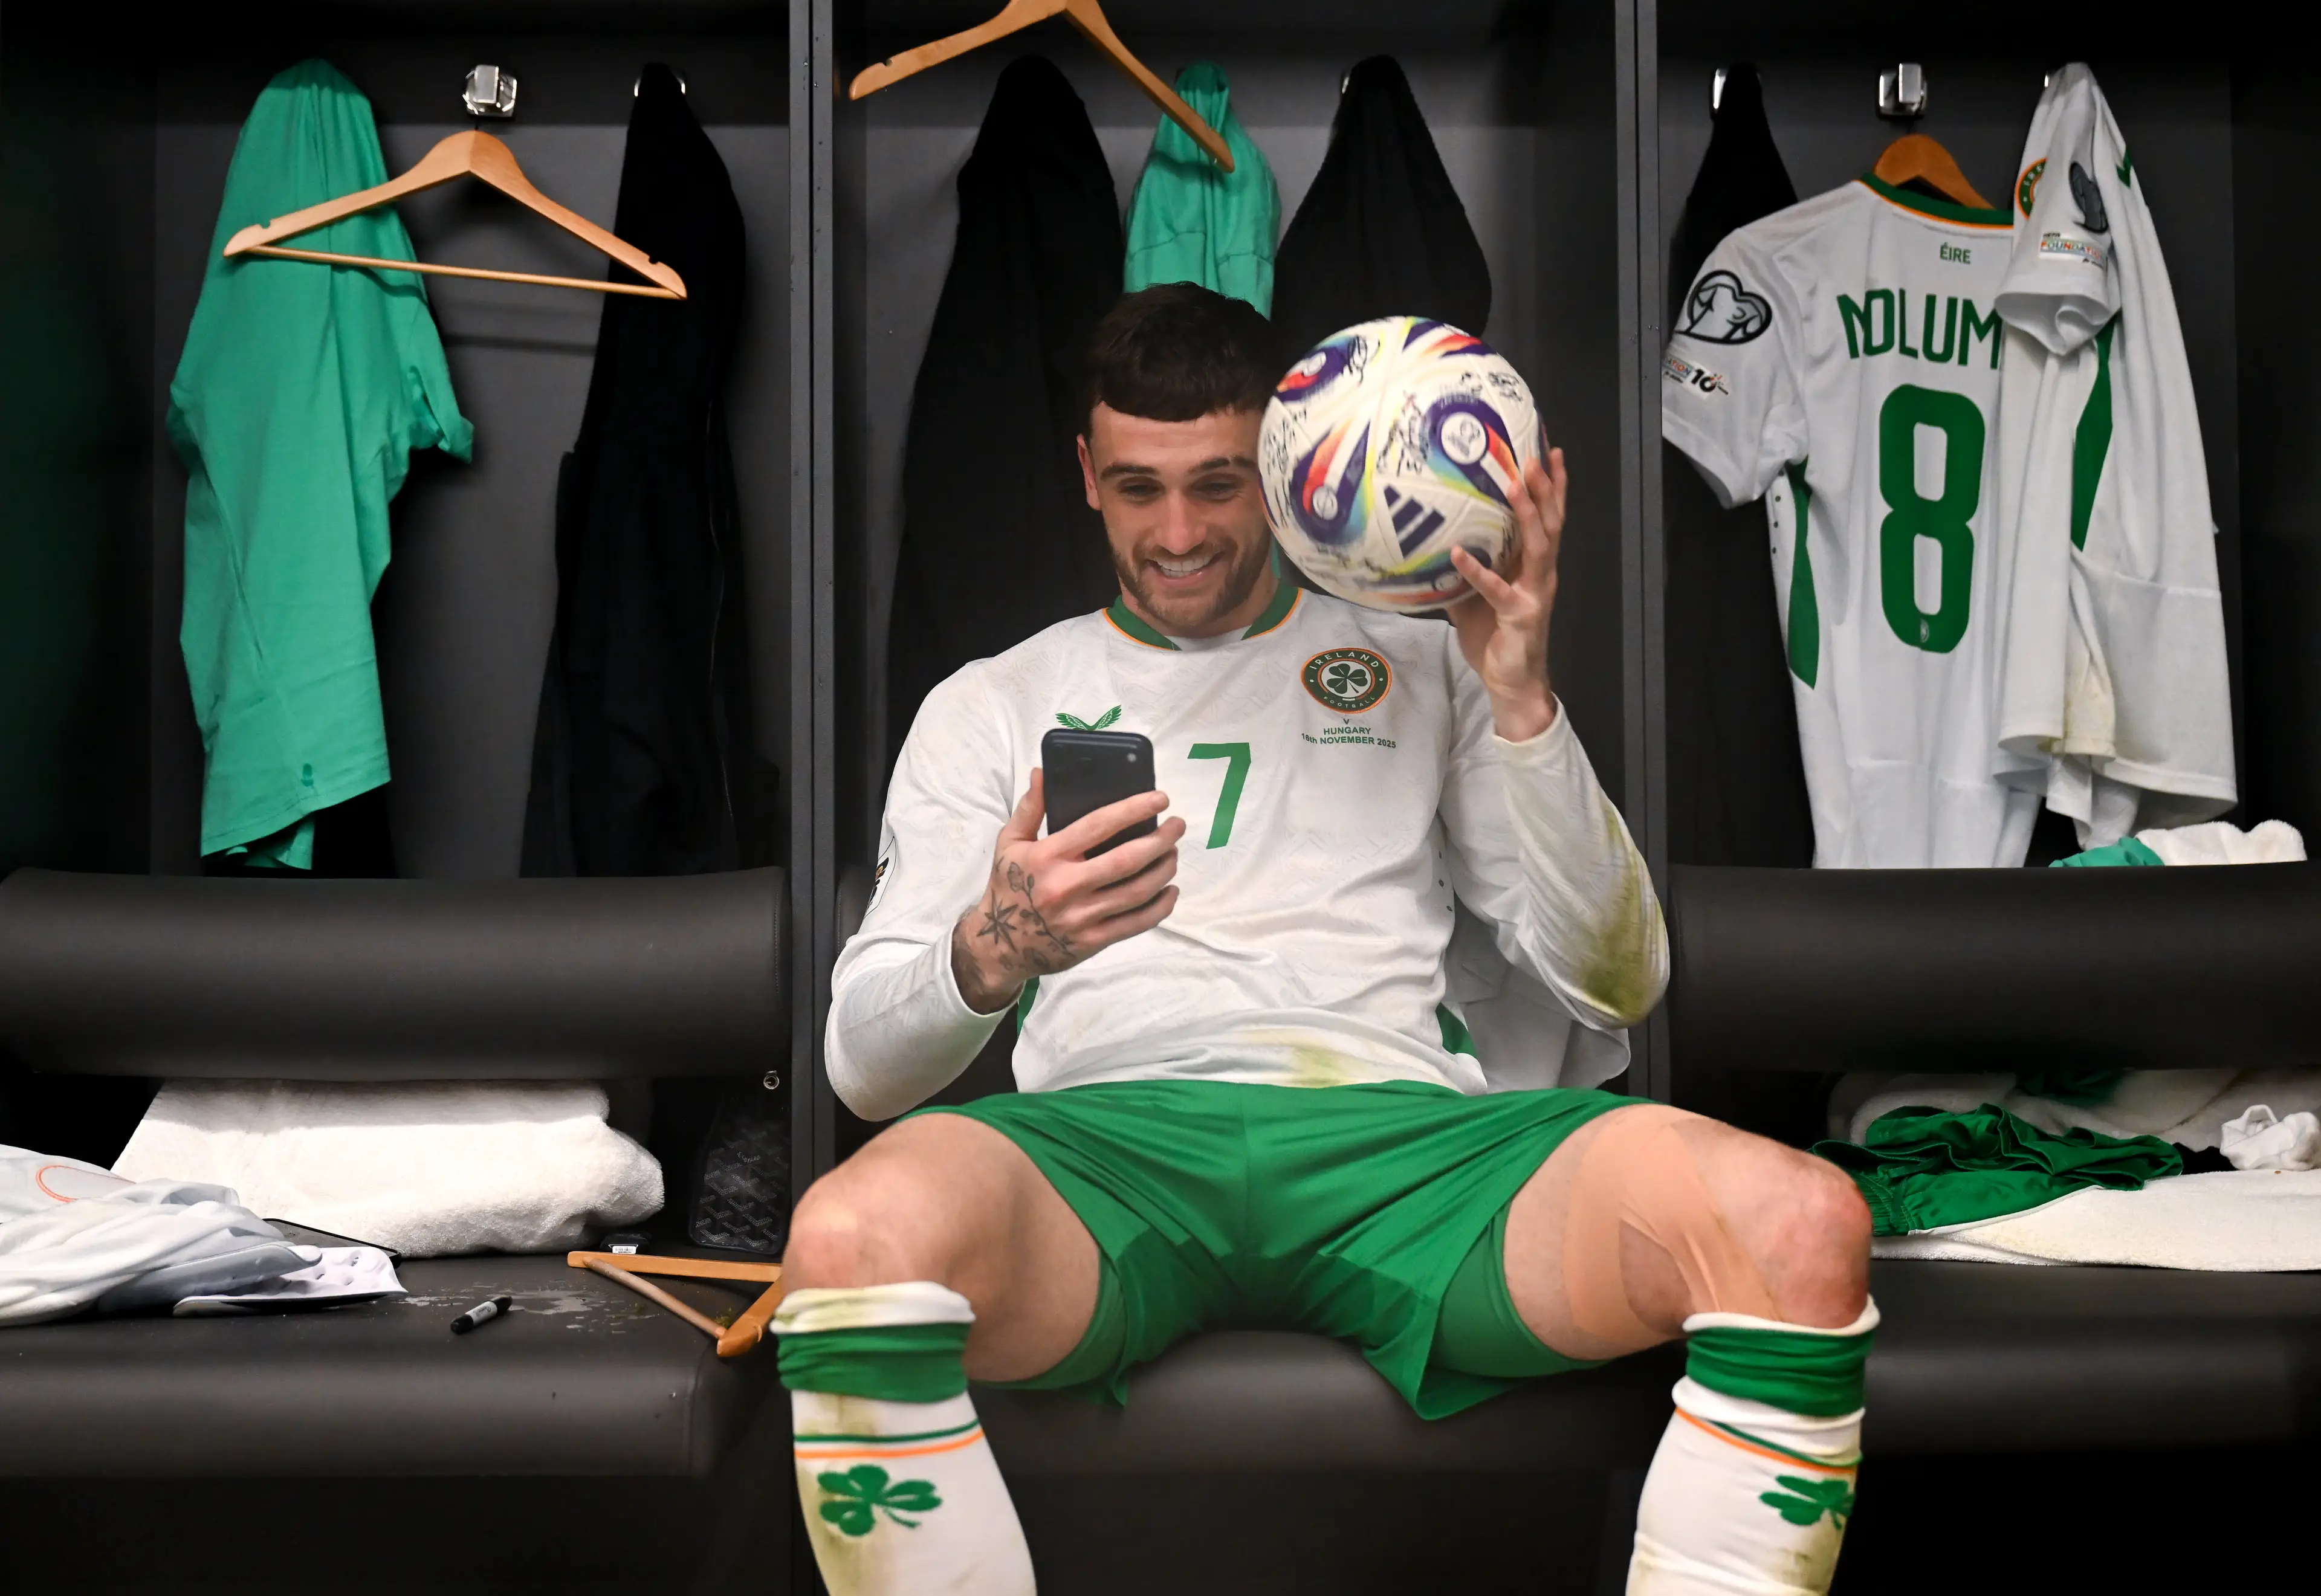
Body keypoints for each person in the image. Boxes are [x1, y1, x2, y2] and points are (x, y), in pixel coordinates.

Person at [775, 283, 1874, 1596]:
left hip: (1408, 1145)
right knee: (845, 1239)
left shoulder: (1431, 660)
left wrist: (1523, 697)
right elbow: (860, 1067)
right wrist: (998, 948)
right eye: (1138, 489)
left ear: (1288, 476)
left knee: (1802, 1225)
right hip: (1110, 1147)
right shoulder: (997, 700)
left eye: (1221, 486)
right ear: (1085, 474)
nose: (1178, 533)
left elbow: (1622, 981)